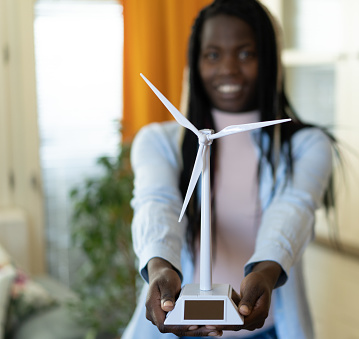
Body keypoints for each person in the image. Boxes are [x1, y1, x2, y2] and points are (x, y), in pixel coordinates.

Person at [121, 0, 337, 338]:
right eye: (212, 55)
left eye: (246, 54)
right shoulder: (158, 142)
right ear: (194, 64)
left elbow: (293, 210)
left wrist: (265, 273)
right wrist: (161, 267)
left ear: (269, 60)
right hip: (173, 326)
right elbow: (156, 203)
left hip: (265, 330)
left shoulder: (307, 145)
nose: (228, 69)